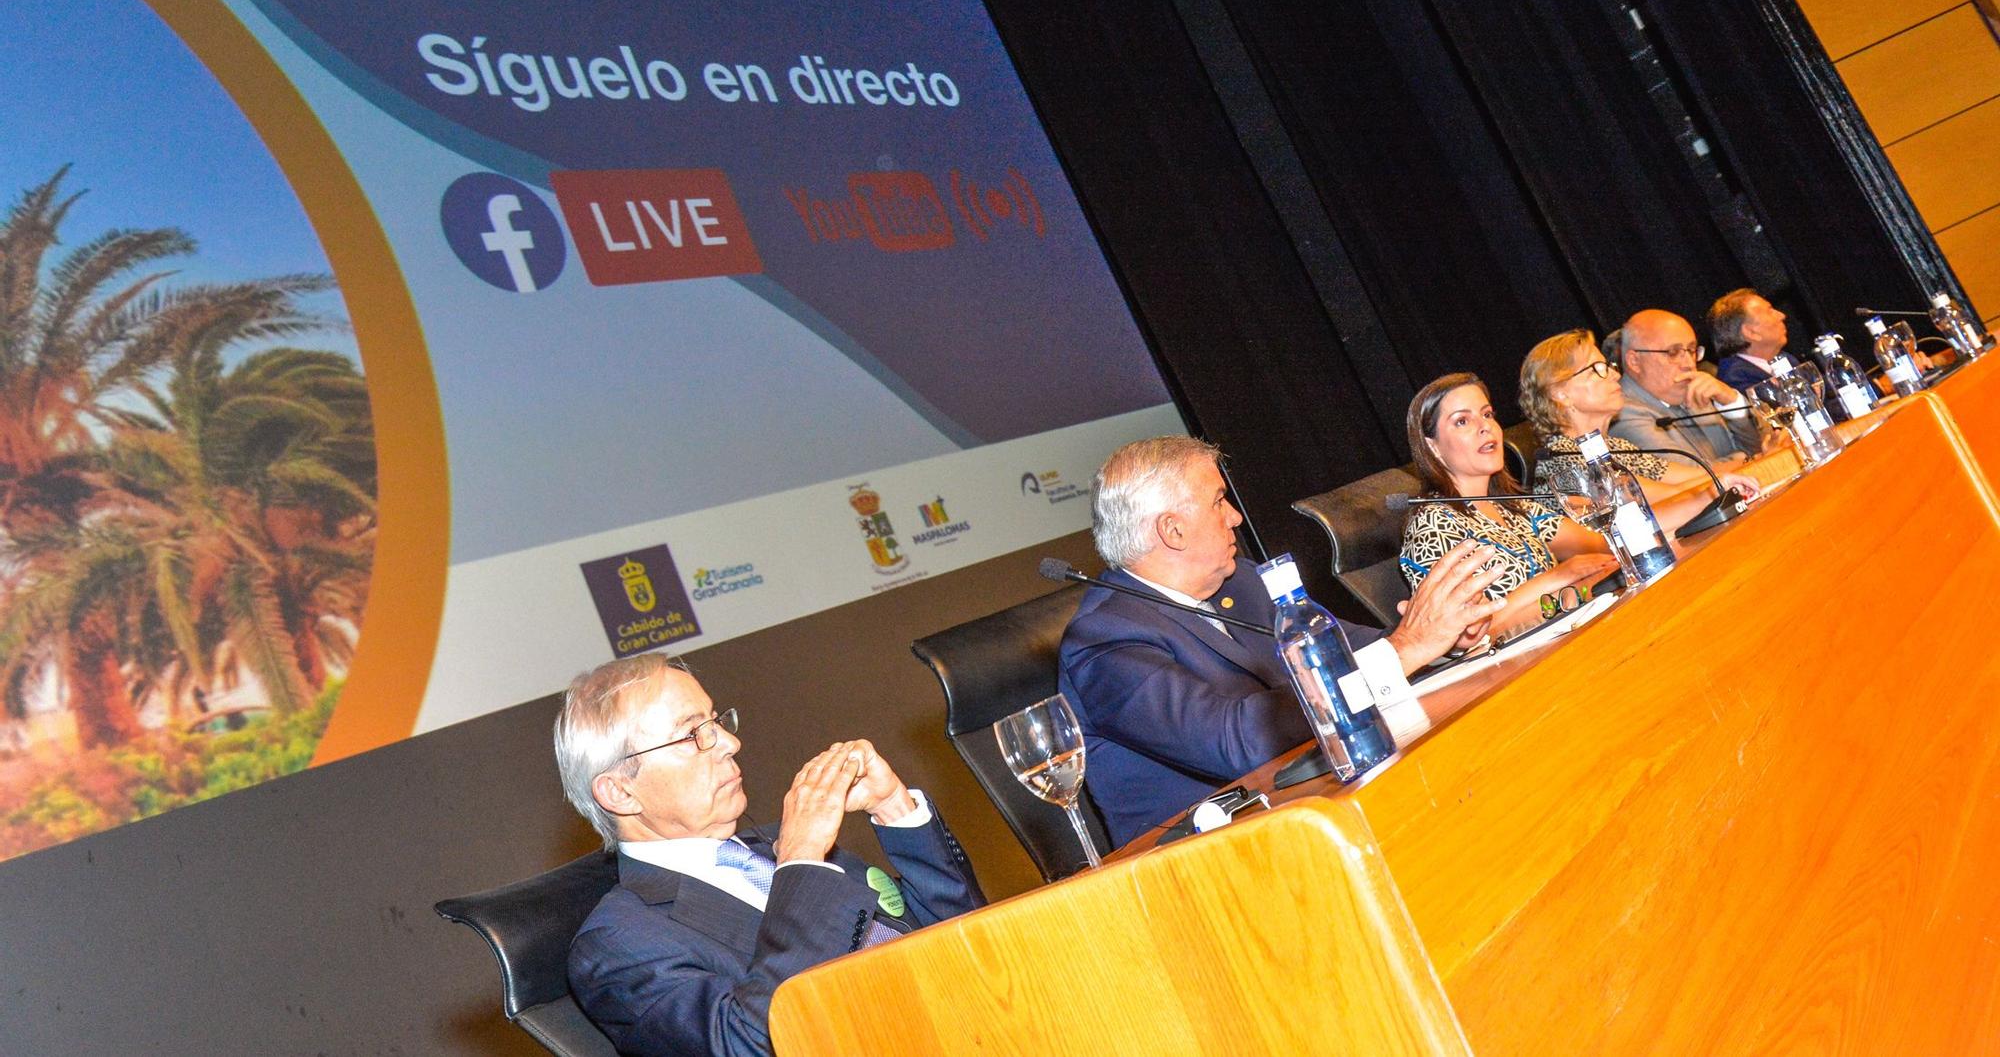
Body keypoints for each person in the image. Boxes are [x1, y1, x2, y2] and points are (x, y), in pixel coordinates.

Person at [1057, 435, 1501, 848]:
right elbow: (1238, 742)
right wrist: (1406, 648)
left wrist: (1445, 637)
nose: (1235, 516)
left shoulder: (1245, 580)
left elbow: (1353, 648)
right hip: (1217, 858)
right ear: (1173, 531)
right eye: (1218, 501)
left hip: (1322, 802)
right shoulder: (1103, 640)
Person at [558, 654, 983, 1057]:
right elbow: (749, 1044)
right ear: (620, 791)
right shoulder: (618, 944)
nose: (730, 742)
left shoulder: (779, 844)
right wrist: (801, 862)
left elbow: (969, 941)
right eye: (692, 734)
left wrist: (894, 808)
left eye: (716, 721)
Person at [1398, 373, 1619, 634]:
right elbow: (1465, 635)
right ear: (1432, 446)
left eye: (1487, 414)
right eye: (1462, 421)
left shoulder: (1513, 507)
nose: (1485, 426)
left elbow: (1605, 544)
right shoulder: (1433, 523)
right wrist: (1558, 578)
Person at [1519, 329, 1760, 525]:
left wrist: (1753, 463)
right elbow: (1655, 498)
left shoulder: (1617, 445)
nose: (1615, 376)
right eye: (1598, 370)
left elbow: (1700, 476)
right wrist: (1730, 477)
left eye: (1609, 367)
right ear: (1560, 393)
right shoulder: (1563, 458)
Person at [1610, 309, 1768, 467]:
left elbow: (1763, 443)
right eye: (1673, 352)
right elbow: (1695, 478)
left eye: (1692, 351)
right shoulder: (1620, 414)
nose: (1689, 364)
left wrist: (1731, 401)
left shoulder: (1696, 390)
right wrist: (1752, 457)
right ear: (1634, 361)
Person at [1708, 289, 1791, 393]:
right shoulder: (1737, 382)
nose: (1782, 315)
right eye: (1770, 311)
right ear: (1751, 332)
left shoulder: (1784, 357)